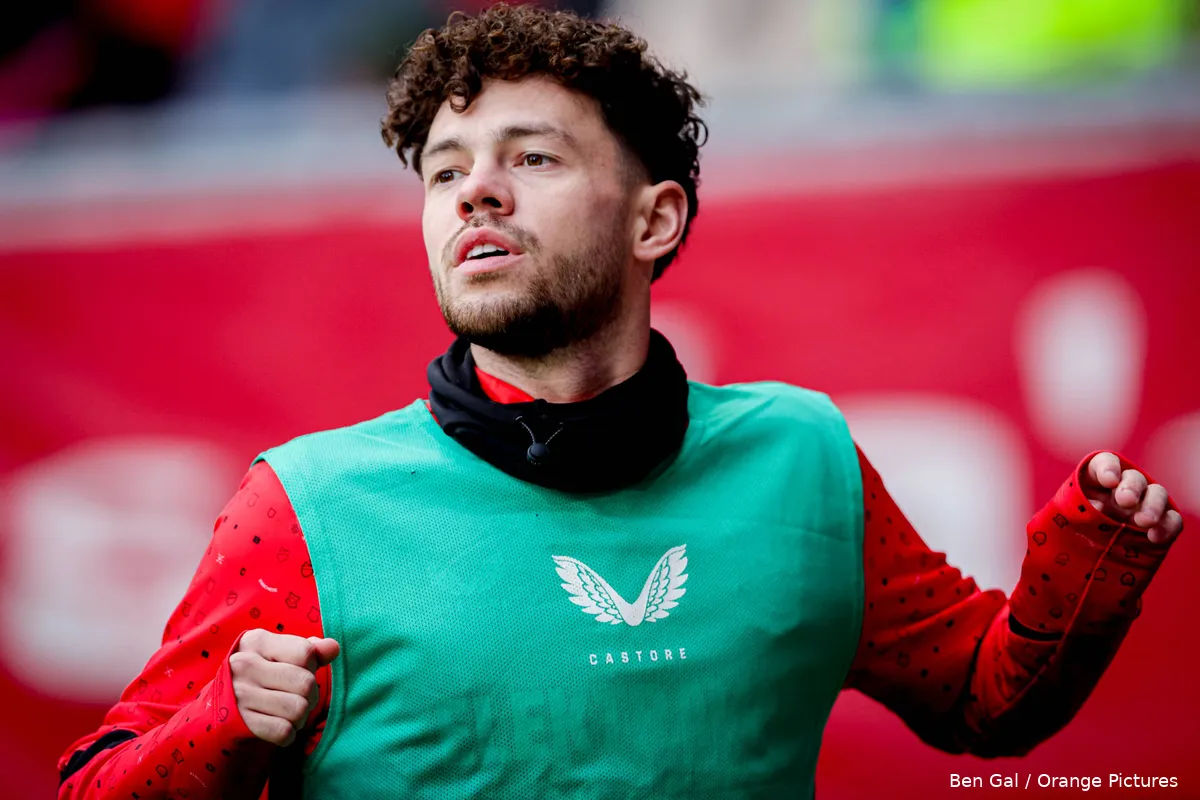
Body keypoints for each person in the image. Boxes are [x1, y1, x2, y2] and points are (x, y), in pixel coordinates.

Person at [57, 4, 1184, 799]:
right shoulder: (300, 502)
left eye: (531, 157)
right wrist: (225, 731)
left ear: (654, 221)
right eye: (446, 170)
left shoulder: (803, 453)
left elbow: (986, 698)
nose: (475, 190)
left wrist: (1092, 558)